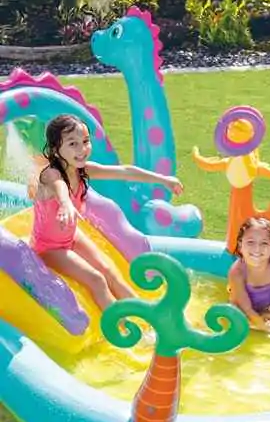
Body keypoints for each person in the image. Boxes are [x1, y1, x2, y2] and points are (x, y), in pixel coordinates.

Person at [29, 114, 183, 311]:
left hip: (71, 237)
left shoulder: (82, 170)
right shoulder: (50, 174)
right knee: (96, 279)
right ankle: (122, 324)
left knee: (109, 271)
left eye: (85, 141)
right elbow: (60, 189)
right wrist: (66, 205)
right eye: (73, 144)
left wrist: (164, 180)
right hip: (48, 248)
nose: (82, 149)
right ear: (55, 150)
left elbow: (125, 172)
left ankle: (146, 314)